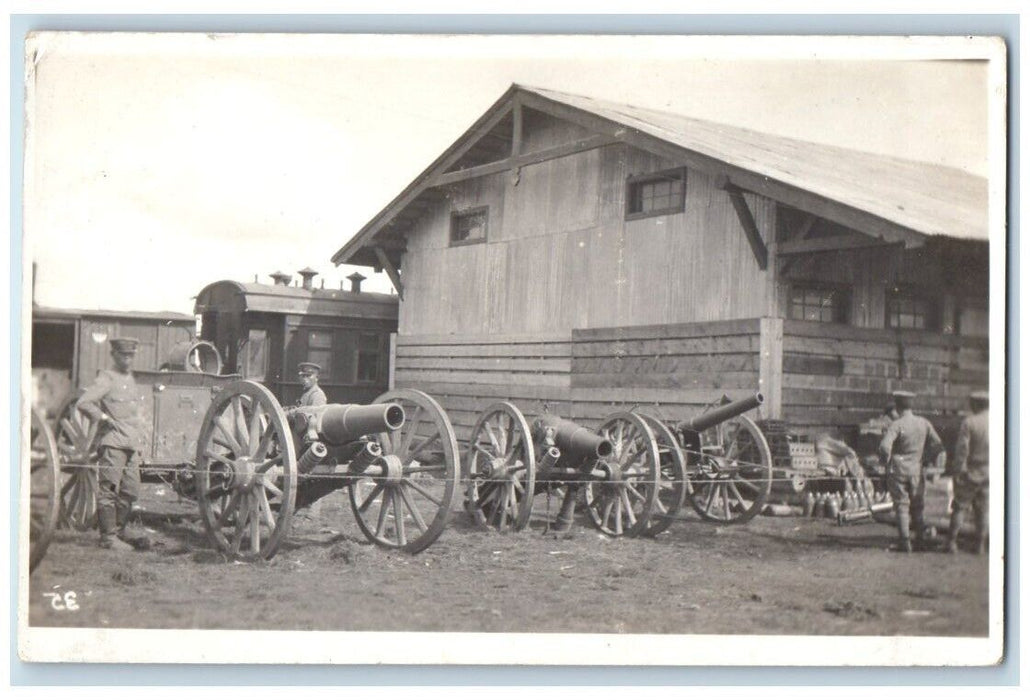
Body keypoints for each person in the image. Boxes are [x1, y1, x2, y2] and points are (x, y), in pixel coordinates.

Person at [76, 337, 150, 551]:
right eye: (123, 355)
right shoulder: (107, 378)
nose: (127, 359)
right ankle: (108, 537)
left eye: (130, 355)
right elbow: (84, 402)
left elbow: (135, 416)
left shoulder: (131, 380)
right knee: (109, 490)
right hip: (113, 444)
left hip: (131, 444)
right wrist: (104, 418)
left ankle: (118, 531)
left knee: (130, 490)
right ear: (114, 355)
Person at [878, 390, 946, 553]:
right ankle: (920, 540)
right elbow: (938, 446)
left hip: (898, 470)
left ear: (898, 405)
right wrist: (937, 466)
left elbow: (884, 447)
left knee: (901, 506)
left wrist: (885, 462)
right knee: (917, 506)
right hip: (916, 469)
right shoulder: (924, 423)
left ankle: (905, 542)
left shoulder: (897, 425)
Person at [946, 390, 990, 555]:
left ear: (977, 404)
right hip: (989, 471)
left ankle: (951, 543)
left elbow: (962, 450)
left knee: (959, 507)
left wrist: (958, 470)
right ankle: (980, 545)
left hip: (971, 471)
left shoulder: (969, 423)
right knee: (983, 510)